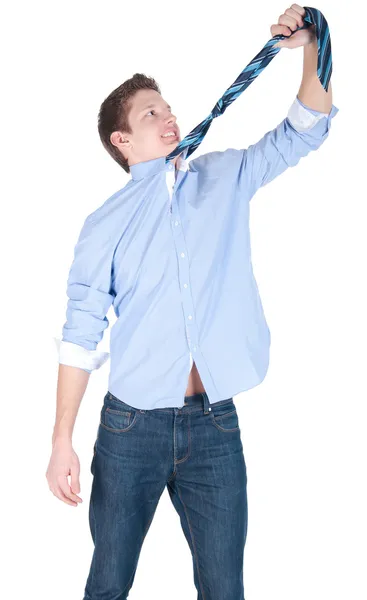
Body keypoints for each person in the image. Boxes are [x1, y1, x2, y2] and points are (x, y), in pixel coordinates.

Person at [46, 5, 339, 598]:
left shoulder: (224, 177)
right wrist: (60, 442)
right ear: (122, 140)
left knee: (224, 590)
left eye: (169, 106)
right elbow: (80, 338)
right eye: (150, 112)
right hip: (131, 430)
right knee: (108, 584)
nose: (168, 115)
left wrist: (312, 42)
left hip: (215, 426)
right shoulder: (102, 226)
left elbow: (305, 127)